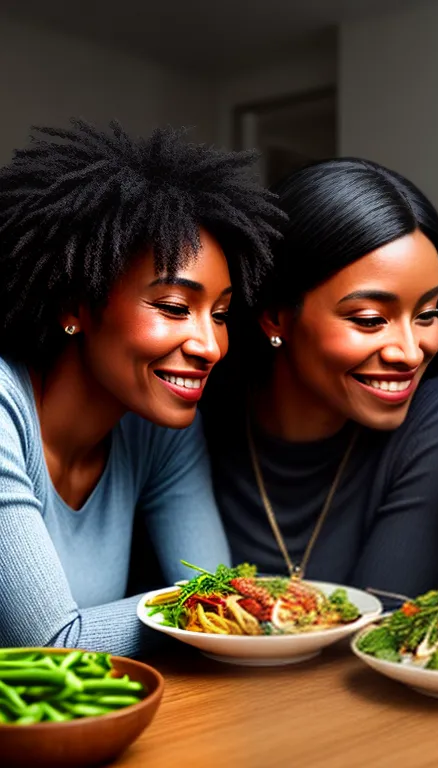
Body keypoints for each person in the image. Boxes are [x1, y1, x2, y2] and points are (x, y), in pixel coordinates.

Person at [0, 119, 283, 656]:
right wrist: (211, 607)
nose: (210, 346)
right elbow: (50, 645)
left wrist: (217, 605)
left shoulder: (161, 427)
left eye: (220, 314)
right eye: (175, 307)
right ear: (73, 306)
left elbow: (216, 594)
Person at [203, 158, 438, 601]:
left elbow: (379, 628)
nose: (409, 352)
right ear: (275, 317)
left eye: (427, 314)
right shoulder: (191, 413)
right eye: (370, 319)